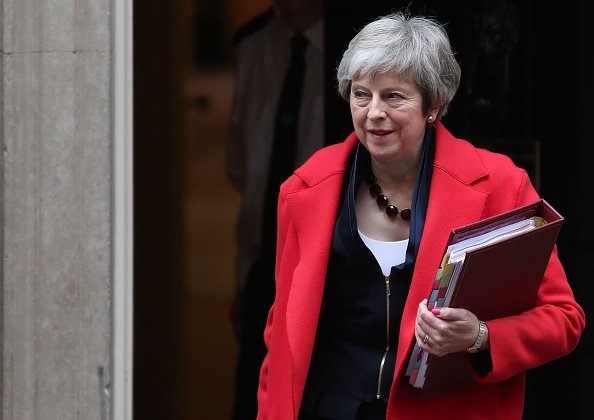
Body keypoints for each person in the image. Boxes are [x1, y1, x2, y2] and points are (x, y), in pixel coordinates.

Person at [256, 10, 586, 420]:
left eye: (394, 96)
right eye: (362, 94)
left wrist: (479, 336)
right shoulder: (304, 189)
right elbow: (281, 336)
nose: (374, 111)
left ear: (435, 104)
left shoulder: (501, 185)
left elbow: (563, 319)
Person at [226, 1, 325, 418]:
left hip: (327, 267)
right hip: (265, 265)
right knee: (255, 397)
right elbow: (244, 174)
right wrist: (245, 275)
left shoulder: (361, 48)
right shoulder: (254, 47)